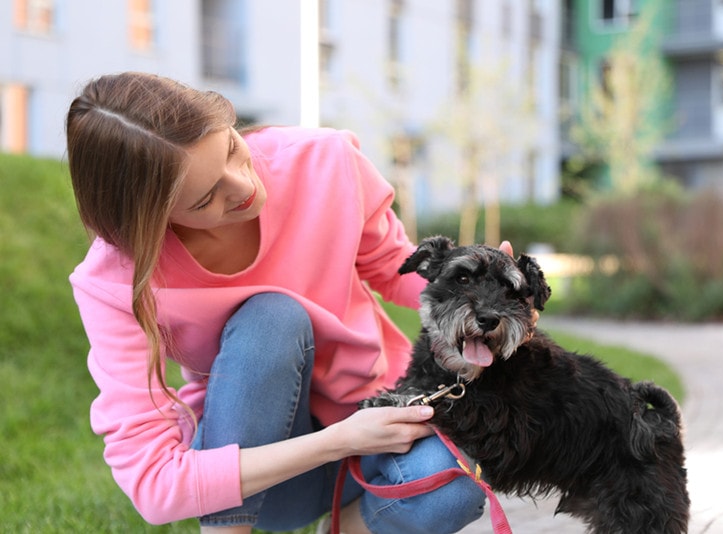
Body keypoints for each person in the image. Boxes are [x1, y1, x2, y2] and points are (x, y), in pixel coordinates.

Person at [67, 72, 527, 534]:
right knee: (272, 317)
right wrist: (335, 441)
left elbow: (393, 266)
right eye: (207, 198)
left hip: (380, 427)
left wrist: (488, 295)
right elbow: (154, 484)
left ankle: (348, 527)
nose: (243, 186)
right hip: (261, 473)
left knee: (455, 486)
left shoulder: (322, 161)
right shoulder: (118, 280)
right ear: (151, 218)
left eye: (230, 148)